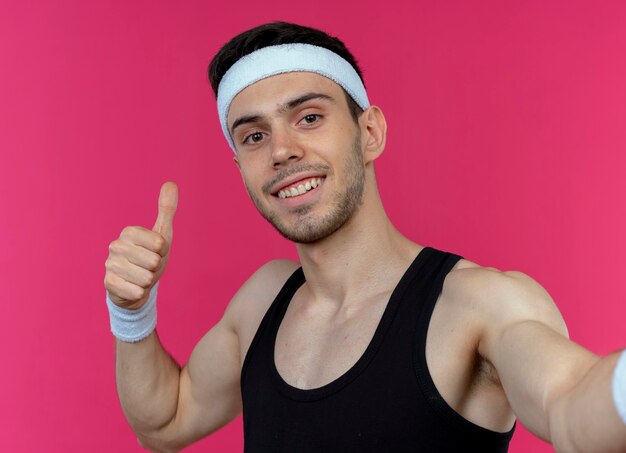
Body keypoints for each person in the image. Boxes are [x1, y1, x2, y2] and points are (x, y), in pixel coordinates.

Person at [104, 21, 626, 452]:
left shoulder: (476, 305)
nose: (282, 151)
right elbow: (164, 421)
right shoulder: (263, 301)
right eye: (255, 136)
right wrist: (132, 311)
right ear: (240, 165)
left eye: (309, 117)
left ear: (370, 132)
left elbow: (569, 404)